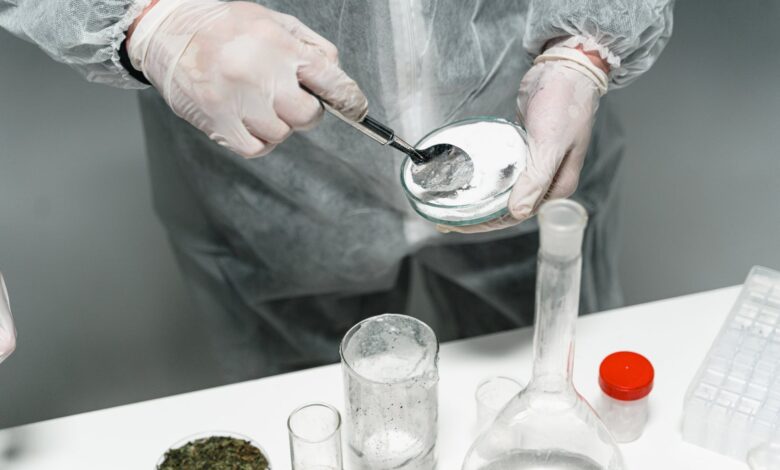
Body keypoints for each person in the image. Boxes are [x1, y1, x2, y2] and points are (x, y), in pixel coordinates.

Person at [0, 0, 674, 381]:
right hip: (274, 164)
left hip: (517, 105)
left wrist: (584, 45)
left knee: (540, 378)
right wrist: (159, 21)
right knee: (309, 400)